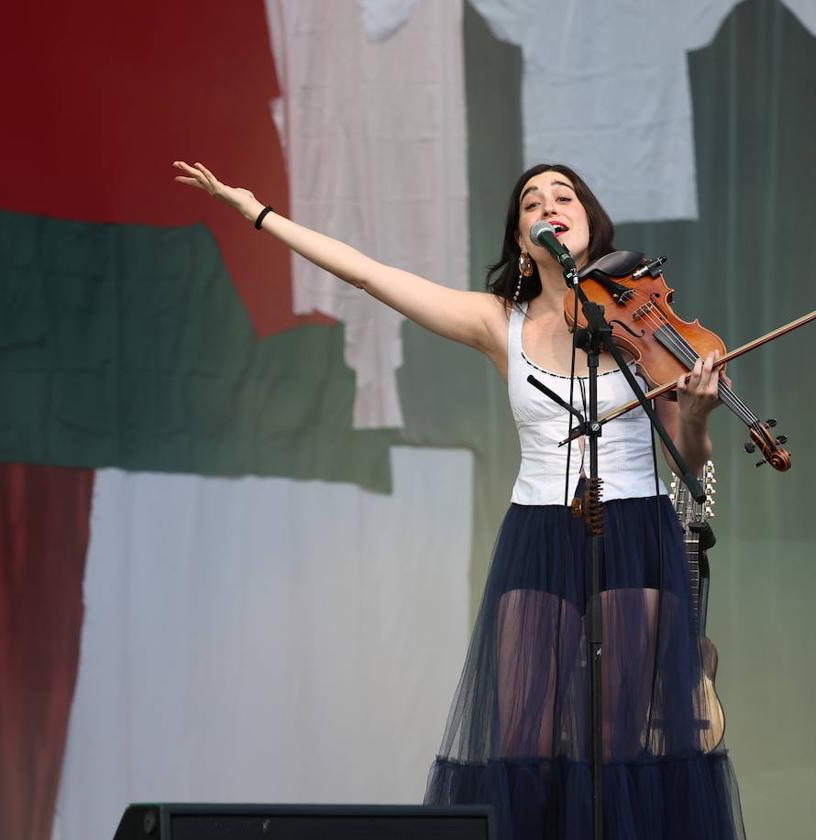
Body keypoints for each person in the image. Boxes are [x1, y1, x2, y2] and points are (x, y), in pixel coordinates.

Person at [174, 160, 745, 840]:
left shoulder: (646, 331)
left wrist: (701, 413)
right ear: (521, 239)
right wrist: (257, 213)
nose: (549, 204)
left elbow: (687, 460)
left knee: (622, 744)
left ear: (590, 222)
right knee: (525, 741)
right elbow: (366, 274)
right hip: (539, 528)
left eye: (564, 196)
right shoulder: (496, 321)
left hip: (634, 525)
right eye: (532, 200)